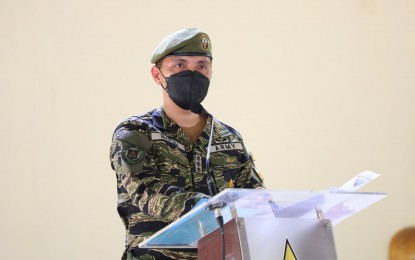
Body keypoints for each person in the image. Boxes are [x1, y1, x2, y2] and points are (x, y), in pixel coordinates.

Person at [109, 28, 265, 260]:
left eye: (202, 66)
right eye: (179, 65)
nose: (193, 73)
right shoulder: (135, 132)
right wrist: (208, 206)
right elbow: (143, 192)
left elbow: (254, 197)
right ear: (156, 74)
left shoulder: (229, 138)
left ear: (211, 73)